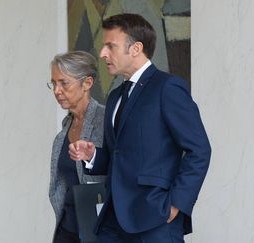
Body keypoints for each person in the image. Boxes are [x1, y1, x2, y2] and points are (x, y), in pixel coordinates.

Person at [69, 13, 211, 243]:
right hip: (113, 220)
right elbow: (121, 155)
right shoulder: (115, 96)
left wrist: (176, 204)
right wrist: (93, 155)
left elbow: (200, 150)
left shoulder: (168, 88)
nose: (103, 54)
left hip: (154, 218)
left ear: (135, 48)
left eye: (110, 46)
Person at [48, 51, 106, 243]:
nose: (57, 90)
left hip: (100, 231)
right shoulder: (64, 130)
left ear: (87, 83)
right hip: (67, 229)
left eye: (64, 83)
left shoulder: (106, 121)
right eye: (54, 83)